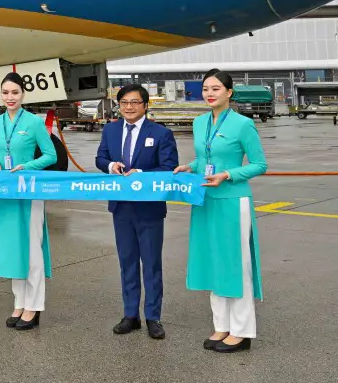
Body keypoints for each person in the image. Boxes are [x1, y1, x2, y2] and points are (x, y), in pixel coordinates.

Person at [174, 68, 268, 353]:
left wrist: (227, 175)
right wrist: (190, 166)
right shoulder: (199, 122)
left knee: (235, 265)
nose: (209, 94)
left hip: (232, 200)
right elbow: (206, 157)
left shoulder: (243, 124)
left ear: (229, 93)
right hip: (205, 199)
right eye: (205, 89)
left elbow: (259, 164)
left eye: (215, 89)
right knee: (213, 262)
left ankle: (241, 331)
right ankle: (221, 326)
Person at [95, 83, 179, 339]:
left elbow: (169, 167)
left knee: (151, 264)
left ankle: (153, 316)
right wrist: (111, 166)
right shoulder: (110, 130)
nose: (129, 107)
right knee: (127, 262)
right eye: (124, 103)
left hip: (149, 209)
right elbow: (100, 158)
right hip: (121, 207)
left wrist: (141, 175)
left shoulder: (161, 133)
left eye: (134, 103)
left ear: (145, 105)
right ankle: (130, 314)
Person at [0, 73, 58, 330]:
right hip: (6, 193)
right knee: (14, 249)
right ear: (0, 95)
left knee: (33, 251)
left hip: (29, 191)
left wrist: (27, 166)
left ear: (23, 94)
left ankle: (34, 306)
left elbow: (50, 155)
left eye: (15, 92)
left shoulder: (34, 122)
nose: (10, 97)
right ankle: (19, 302)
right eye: (5, 93)